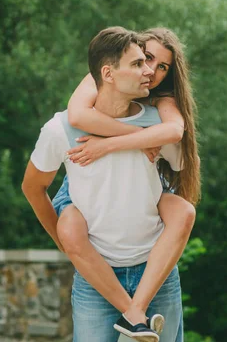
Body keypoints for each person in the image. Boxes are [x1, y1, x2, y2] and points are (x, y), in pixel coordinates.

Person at [22, 27, 197, 342]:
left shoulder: (158, 122)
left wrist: (124, 140)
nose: (149, 72)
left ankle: (135, 314)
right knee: (70, 222)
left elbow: (178, 145)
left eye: (159, 66)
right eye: (141, 62)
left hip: (155, 274)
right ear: (109, 73)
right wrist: (65, 243)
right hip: (96, 279)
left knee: (183, 210)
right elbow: (33, 187)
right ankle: (134, 316)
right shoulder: (62, 128)